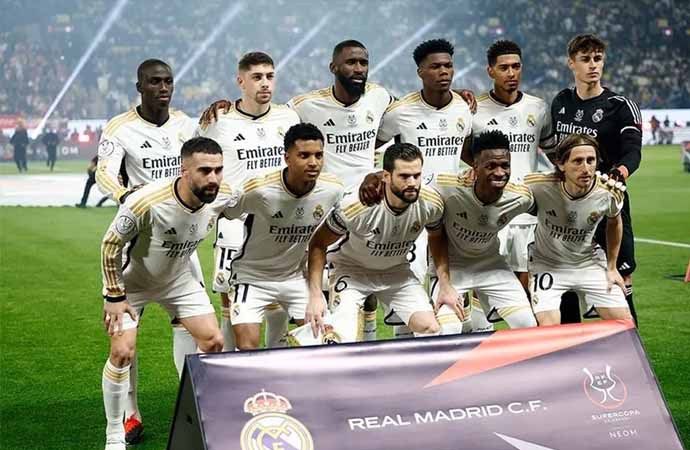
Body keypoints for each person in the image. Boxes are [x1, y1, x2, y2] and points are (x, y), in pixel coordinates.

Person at [100, 137, 234, 450]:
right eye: (204, 171)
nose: (213, 178)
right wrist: (114, 295)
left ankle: (197, 413)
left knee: (213, 342)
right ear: (184, 171)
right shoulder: (146, 202)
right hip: (132, 284)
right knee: (122, 352)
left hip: (178, 280)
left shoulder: (224, 195)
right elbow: (110, 245)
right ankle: (114, 435)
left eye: (218, 170)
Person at [95, 58, 198, 445]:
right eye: (154, 82)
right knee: (127, 333)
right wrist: (125, 195)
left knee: (188, 324)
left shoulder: (185, 125)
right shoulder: (120, 127)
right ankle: (130, 414)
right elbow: (104, 171)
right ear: (139, 87)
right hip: (137, 243)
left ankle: (192, 403)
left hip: (181, 242)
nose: (163, 87)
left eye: (168, 81)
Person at [197, 51, 299, 351]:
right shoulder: (218, 121)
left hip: (281, 226)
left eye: (269, 76)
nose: (265, 83)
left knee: (278, 305)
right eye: (256, 77)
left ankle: (275, 370)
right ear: (240, 82)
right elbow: (195, 158)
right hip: (234, 224)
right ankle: (229, 370)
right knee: (231, 303)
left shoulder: (288, 118)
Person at [305, 142, 460, 341]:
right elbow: (318, 243)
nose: (412, 183)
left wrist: (445, 284)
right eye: (404, 176)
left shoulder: (431, 203)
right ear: (386, 176)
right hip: (352, 272)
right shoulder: (356, 207)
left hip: (397, 273)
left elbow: (437, 236)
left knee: (431, 328)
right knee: (341, 338)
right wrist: (316, 295)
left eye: (417, 175)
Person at [374, 38, 473, 338]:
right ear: (420, 72)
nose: (444, 72)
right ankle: (405, 358)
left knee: (453, 302)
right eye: (435, 67)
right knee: (410, 297)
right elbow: (371, 146)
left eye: (448, 66)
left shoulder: (463, 108)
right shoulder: (401, 111)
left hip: (452, 216)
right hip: (412, 217)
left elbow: (466, 151)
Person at [225, 123, 343, 350]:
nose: (313, 162)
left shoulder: (332, 189)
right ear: (287, 157)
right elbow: (228, 211)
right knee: (247, 347)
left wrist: (316, 295)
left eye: (318, 155)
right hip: (252, 277)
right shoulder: (260, 190)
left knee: (323, 342)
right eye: (304, 155)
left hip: (295, 277)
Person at [551, 34, 642, 325]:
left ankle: (630, 348)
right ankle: (571, 349)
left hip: (607, 204)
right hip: (567, 207)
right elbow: (554, 150)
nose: (593, 65)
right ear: (571, 63)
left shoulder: (620, 105)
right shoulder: (561, 102)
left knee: (620, 277)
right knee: (565, 279)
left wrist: (619, 173)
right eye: (585, 59)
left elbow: (633, 151)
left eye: (598, 58)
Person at [469, 39, 556, 331]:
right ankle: (480, 338)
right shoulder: (474, 109)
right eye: (504, 67)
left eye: (516, 66)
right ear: (490, 71)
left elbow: (553, 152)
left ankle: (523, 345)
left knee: (525, 284)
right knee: (482, 282)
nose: (511, 73)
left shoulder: (538, 108)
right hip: (488, 211)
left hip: (526, 212)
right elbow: (464, 151)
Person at [431, 130, 538, 332]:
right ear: (475, 167)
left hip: (491, 265)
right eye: (491, 166)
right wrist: (444, 284)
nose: (500, 173)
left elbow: (552, 206)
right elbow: (433, 233)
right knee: (447, 330)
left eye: (505, 165)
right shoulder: (446, 187)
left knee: (527, 324)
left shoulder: (520, 197)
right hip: (453, 268)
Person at [525, 133, 632, 325]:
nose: (586, 168)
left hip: (588, 263)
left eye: (591, 160)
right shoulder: (538, 185)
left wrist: (612, 267)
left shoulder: (609, 192)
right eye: (577, 161)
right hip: (548, 265)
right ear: (561, 164)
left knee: (624, 323)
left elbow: (615, 222)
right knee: (549, 327)